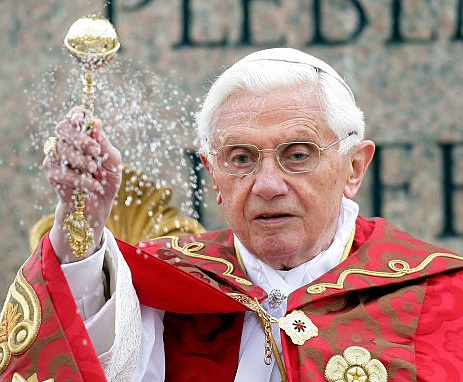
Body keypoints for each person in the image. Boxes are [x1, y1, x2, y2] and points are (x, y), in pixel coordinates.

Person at [2, 47, 463, 382]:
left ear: (354, 168)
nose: (266, 185)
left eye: (297, 155)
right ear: (213, 175)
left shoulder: (443, 297)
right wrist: (81, 223)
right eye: (240, 158)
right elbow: (87, 365)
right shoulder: (162, 284)